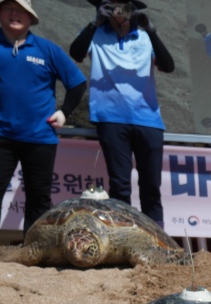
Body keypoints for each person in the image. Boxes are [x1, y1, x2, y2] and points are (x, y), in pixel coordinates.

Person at [0, 1, 88, 254]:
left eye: (21, 11)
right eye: (9, 10)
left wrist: (63, 112)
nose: (15, 15)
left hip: (40, 137)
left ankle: (35, 248)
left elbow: (78, 83)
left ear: (30, 17)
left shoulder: (48, 49)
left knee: (39, 196)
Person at [70, 0, 174, 228]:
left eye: (126, 5)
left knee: (151, 185)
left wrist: (152, 30)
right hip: (110, 118)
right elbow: (76, 53)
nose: (119, 11)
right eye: (113, 5)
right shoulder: (95, 32)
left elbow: (168, 66)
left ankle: (155, 239)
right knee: (119, 185)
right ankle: (121, 236)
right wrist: (93, 23)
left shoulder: (145, 35)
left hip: (148, 118)